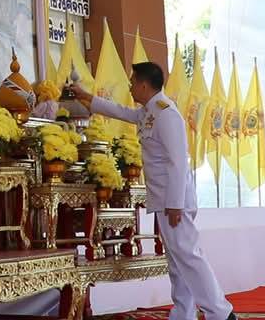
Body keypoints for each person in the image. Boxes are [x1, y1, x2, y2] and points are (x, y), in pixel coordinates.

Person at [71, 62, 236, 320]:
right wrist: (88, 98)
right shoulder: (149, 111)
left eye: (133, 82)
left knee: (189, 257)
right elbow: (122, 112)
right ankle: (183, 314)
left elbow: (178, 161)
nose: (130, 87)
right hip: (164, 200)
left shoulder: (166, 113)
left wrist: (175, 203)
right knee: (177, 262)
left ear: (144, 85)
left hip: (174, 201)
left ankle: (221, 313)